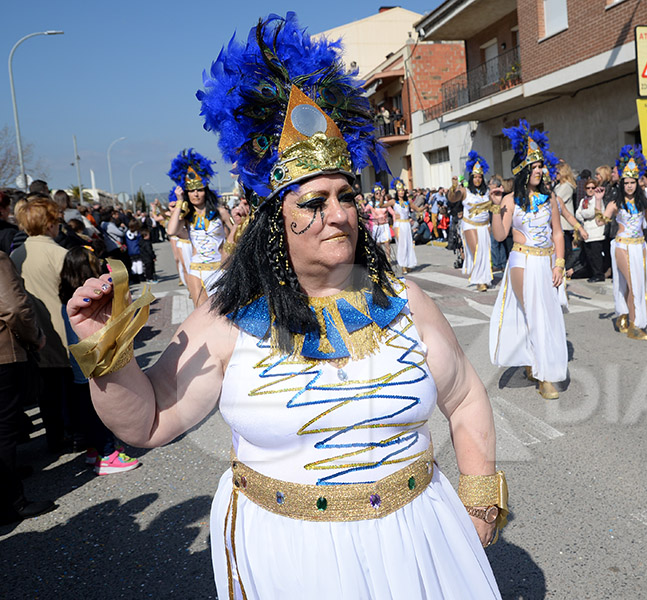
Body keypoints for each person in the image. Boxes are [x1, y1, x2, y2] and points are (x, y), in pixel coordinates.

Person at [67, 14, 504, 598]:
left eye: (346, 196)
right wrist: (107, 349)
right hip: (289, 558)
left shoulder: (403, 300)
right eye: (314, 201)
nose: (339, 213)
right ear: (275, 222)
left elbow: (466, 396)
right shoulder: (226, 320)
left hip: (418, 541)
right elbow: (146, 420)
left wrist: (480, 506)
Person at [489, 120, 568, 399]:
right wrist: (495, 208)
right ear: (523, 169)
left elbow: (558, 234)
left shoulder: (550, 198)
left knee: (548, 314)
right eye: (533, 167)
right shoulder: (510, 200)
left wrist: (559, 264)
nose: (539, 171)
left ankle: (533, 362)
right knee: (535, 314)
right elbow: (500, 236)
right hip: (522, 261)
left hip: (546, 262)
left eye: (540, 166)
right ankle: (544, 375)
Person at [58, 246, 141, 475]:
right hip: (92, 369)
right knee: (100, 413)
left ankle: (95, 450)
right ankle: (107, 454)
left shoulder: (67, 301)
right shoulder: (85, 304)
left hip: (77, 371)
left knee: (85, 413)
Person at [9, 198, 70, 452]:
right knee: (70, 389)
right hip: (63, 331)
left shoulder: (15, 255)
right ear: (49, 224)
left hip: (33, 334)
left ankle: (54, 438)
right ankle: (76, 433)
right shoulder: (60, 254)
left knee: (46, 393)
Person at [0, 250, 57, 524]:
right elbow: (14, 307)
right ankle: (12, 502)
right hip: (2, 354)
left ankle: (8, 480)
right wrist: (34, 337)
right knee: (4, 428)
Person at [597, 145, 647, 340]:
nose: (629, 186)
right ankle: (636, 325)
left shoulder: (644, 201)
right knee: (633, 285)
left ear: (637, 182)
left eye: (632, 182)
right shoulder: (616, 203)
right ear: (622, 184)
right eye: (626, 182)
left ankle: (624, 315)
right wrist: (597, 201)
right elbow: (600, 221)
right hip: (622, 246)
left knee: (634, 285)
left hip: (641, 246)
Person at [166, 149, 232, 307]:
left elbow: (236, 232)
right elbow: (171, 231)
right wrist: (179, 201)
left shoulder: (220, 212)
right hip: (196, 271)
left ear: (206, 191)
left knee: (222, 315)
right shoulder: (187, 217)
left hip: (220, 269)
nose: (196, 194)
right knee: (201, 315)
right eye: (191, 191)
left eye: (199, 190)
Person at [460, 151, 493, 291]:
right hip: (469, 225)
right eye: (475, 177)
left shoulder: (487, 192)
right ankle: (480, 281)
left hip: (485, 225)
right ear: (471, 177)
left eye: (480, 177)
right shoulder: (465, 191)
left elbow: (494, 206)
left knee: (485, 252)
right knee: (477, 251)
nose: (477, 180)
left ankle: (484, 277)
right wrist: (453, 188)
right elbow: (453, 196)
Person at [574, 178, 608, 282]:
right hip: (587, 231)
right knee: (589, 255)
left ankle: (599, 274)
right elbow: (577, 214)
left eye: (593, 188)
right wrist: (584, 214)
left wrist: (584, 214)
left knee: (596, 255)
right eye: (588, 188)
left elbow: (591, 213)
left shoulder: (597, 199)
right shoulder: (583, 200)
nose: (590, 190)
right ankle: (593, 273)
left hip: (596, 231)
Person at [388, 177, 417, 274]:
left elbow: (417, 208)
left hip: (407, 224)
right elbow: (381, 205)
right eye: (399, 191)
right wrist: (381, 199)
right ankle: (403, 265)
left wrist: (424, 208)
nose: (401, 192)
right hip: (398, 225)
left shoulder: (408, 201)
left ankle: (408, 264)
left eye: (402, 190)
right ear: (396, 191)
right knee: (401, 245)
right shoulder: (393, 202)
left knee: (408, 244)